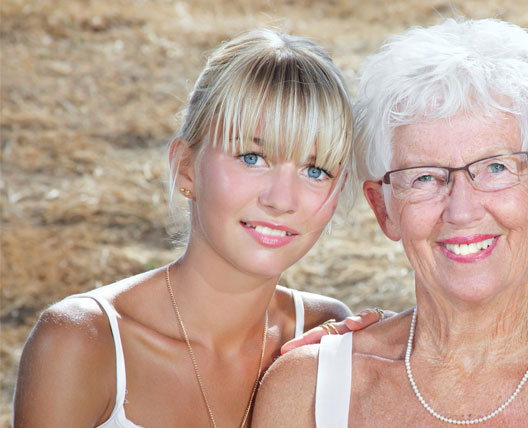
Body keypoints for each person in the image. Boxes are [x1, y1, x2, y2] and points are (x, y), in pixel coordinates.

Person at [253, 18, 528, 427]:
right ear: (383, 209)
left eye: (495, 167)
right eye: (424, 176)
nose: (461, 209)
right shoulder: (306, 389)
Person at [13, 28, 382, 427]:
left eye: (315, 170)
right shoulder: (81, 341)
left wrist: (399, 361)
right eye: (252, 157)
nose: (282, 200)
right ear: (186, 167)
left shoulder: (323, 334)